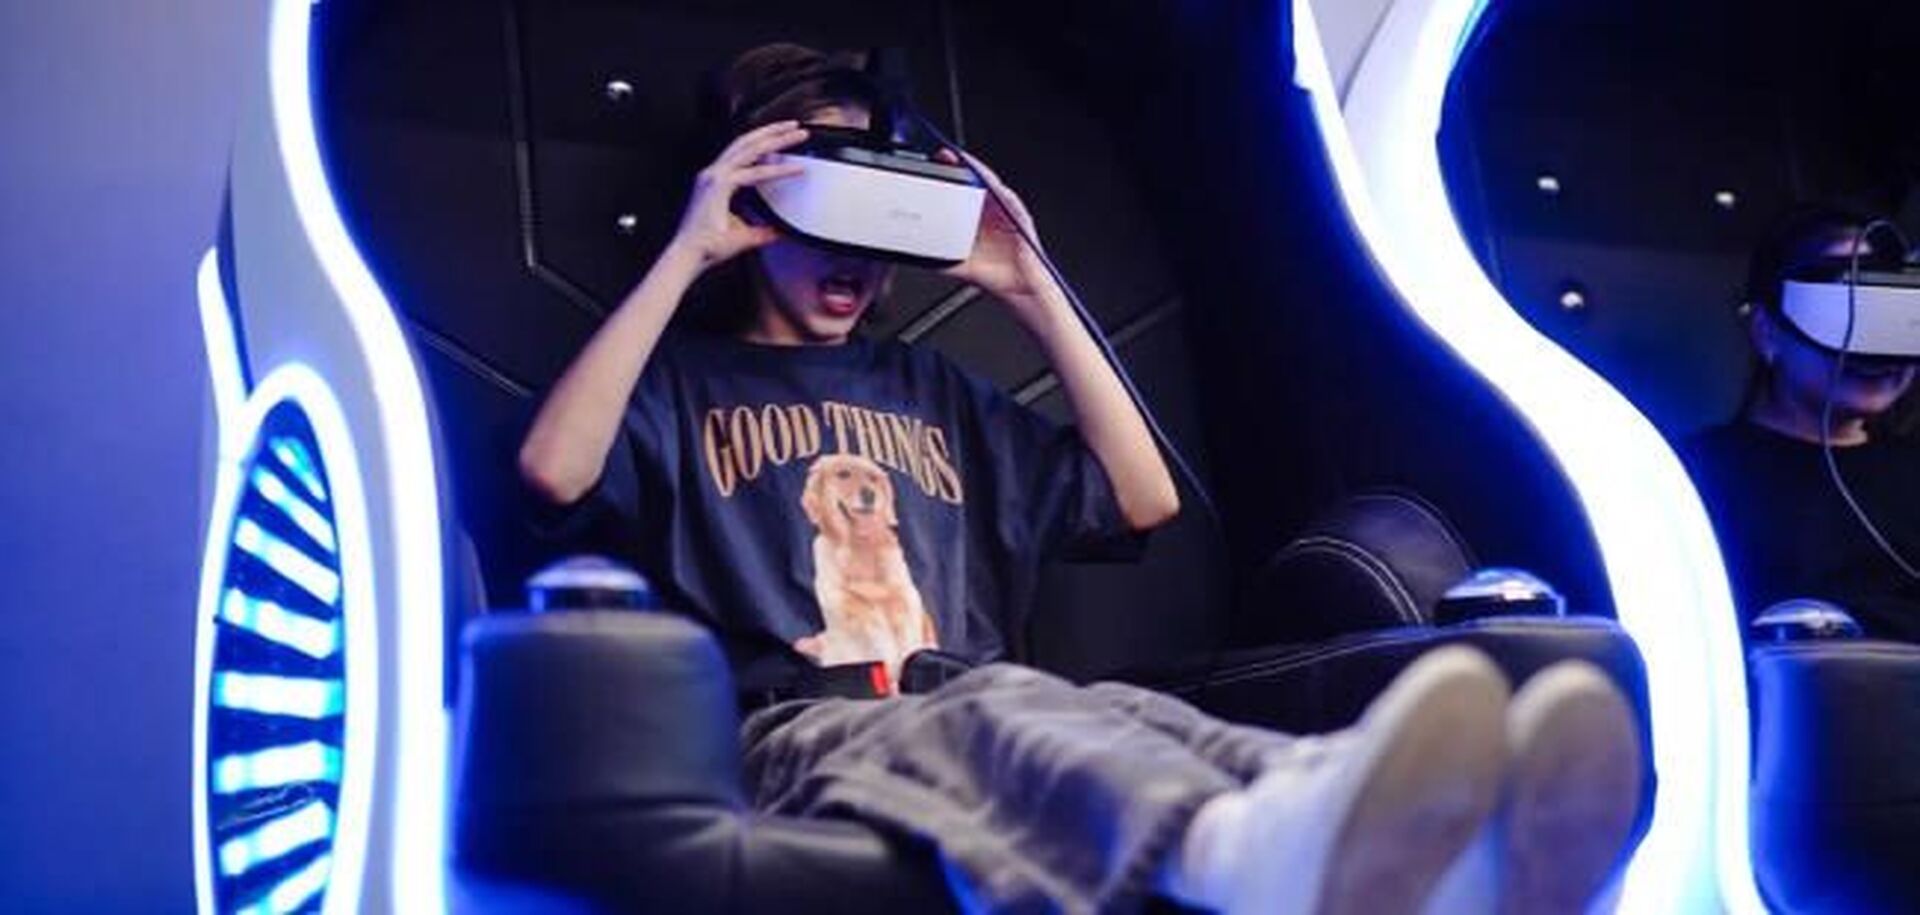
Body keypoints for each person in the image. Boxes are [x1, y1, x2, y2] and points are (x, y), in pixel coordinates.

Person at [520, 42, 1642, 914]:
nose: (853, 254)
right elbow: (553, 471)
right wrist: (689, 249)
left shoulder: (930, 388)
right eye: (828, 201)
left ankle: (1447, 844)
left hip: (975, 694)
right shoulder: (681, 382)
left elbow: (1144, 498)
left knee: (1120, 713)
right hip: (796, 727)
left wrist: (1029, 281)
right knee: (1008, 708)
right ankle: (1233, 854)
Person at [1683, 204, 1920, 643]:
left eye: (1891, 313)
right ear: (1767, 332)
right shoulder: (1693, 474)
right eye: (1843, 310)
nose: (1870, 346)